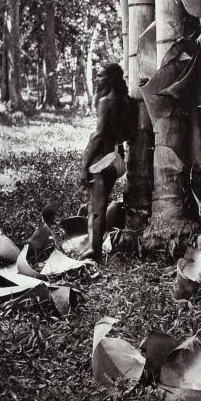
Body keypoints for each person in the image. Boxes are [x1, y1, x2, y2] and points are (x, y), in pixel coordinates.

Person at [80, 62, 136, 261]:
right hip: (116, 159)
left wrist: (84, 166)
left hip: (102, 160)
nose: (98, 79)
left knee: (97, 208)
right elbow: (129, 133)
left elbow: (98, 136)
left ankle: (94, 251)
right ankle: (93, 246)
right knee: (96, 206)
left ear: (110, 78)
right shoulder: (127, 102)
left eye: (101, 76)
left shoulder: (107, 101)